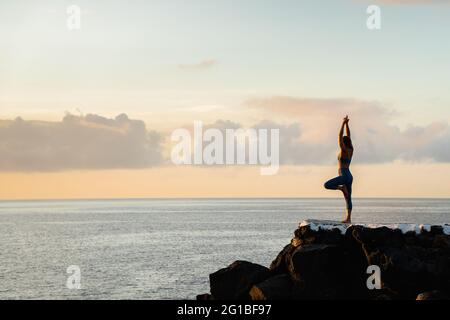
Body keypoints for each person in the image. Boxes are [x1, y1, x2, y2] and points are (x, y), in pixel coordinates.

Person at [324, 115, 354, 223]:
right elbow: (348, 136)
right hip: (349, 176)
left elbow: (340, 135)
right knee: (348, 198)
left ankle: (340, 188)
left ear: (343, 143)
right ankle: (348, 218)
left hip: (344, 175)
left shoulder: (344, 150)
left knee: (326, 185)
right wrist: (347, 124)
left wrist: (342, 123)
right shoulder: (351, 149)